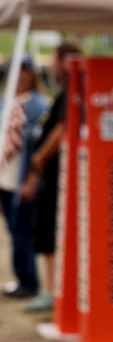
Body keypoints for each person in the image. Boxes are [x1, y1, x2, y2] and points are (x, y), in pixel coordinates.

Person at [20, 42, 81, 312]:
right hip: (54, 175)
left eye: (55, 60)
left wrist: (40, 158)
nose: (53, 66)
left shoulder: (72, 94)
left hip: (58, 176)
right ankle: (53, 288)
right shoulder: (65, 94)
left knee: (50, 231)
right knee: (46, 231)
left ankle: (53, 290)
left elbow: (62, 129)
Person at [0, 55, 50, 300]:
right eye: (16, 70)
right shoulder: (5, 101)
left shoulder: (39, 105)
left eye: (25, 70)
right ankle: (22, 277)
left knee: (22, 231)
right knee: (13, 229)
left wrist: (33, 178)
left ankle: (29, 281)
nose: (21, 75)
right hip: (5, 177)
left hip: (24, 176)